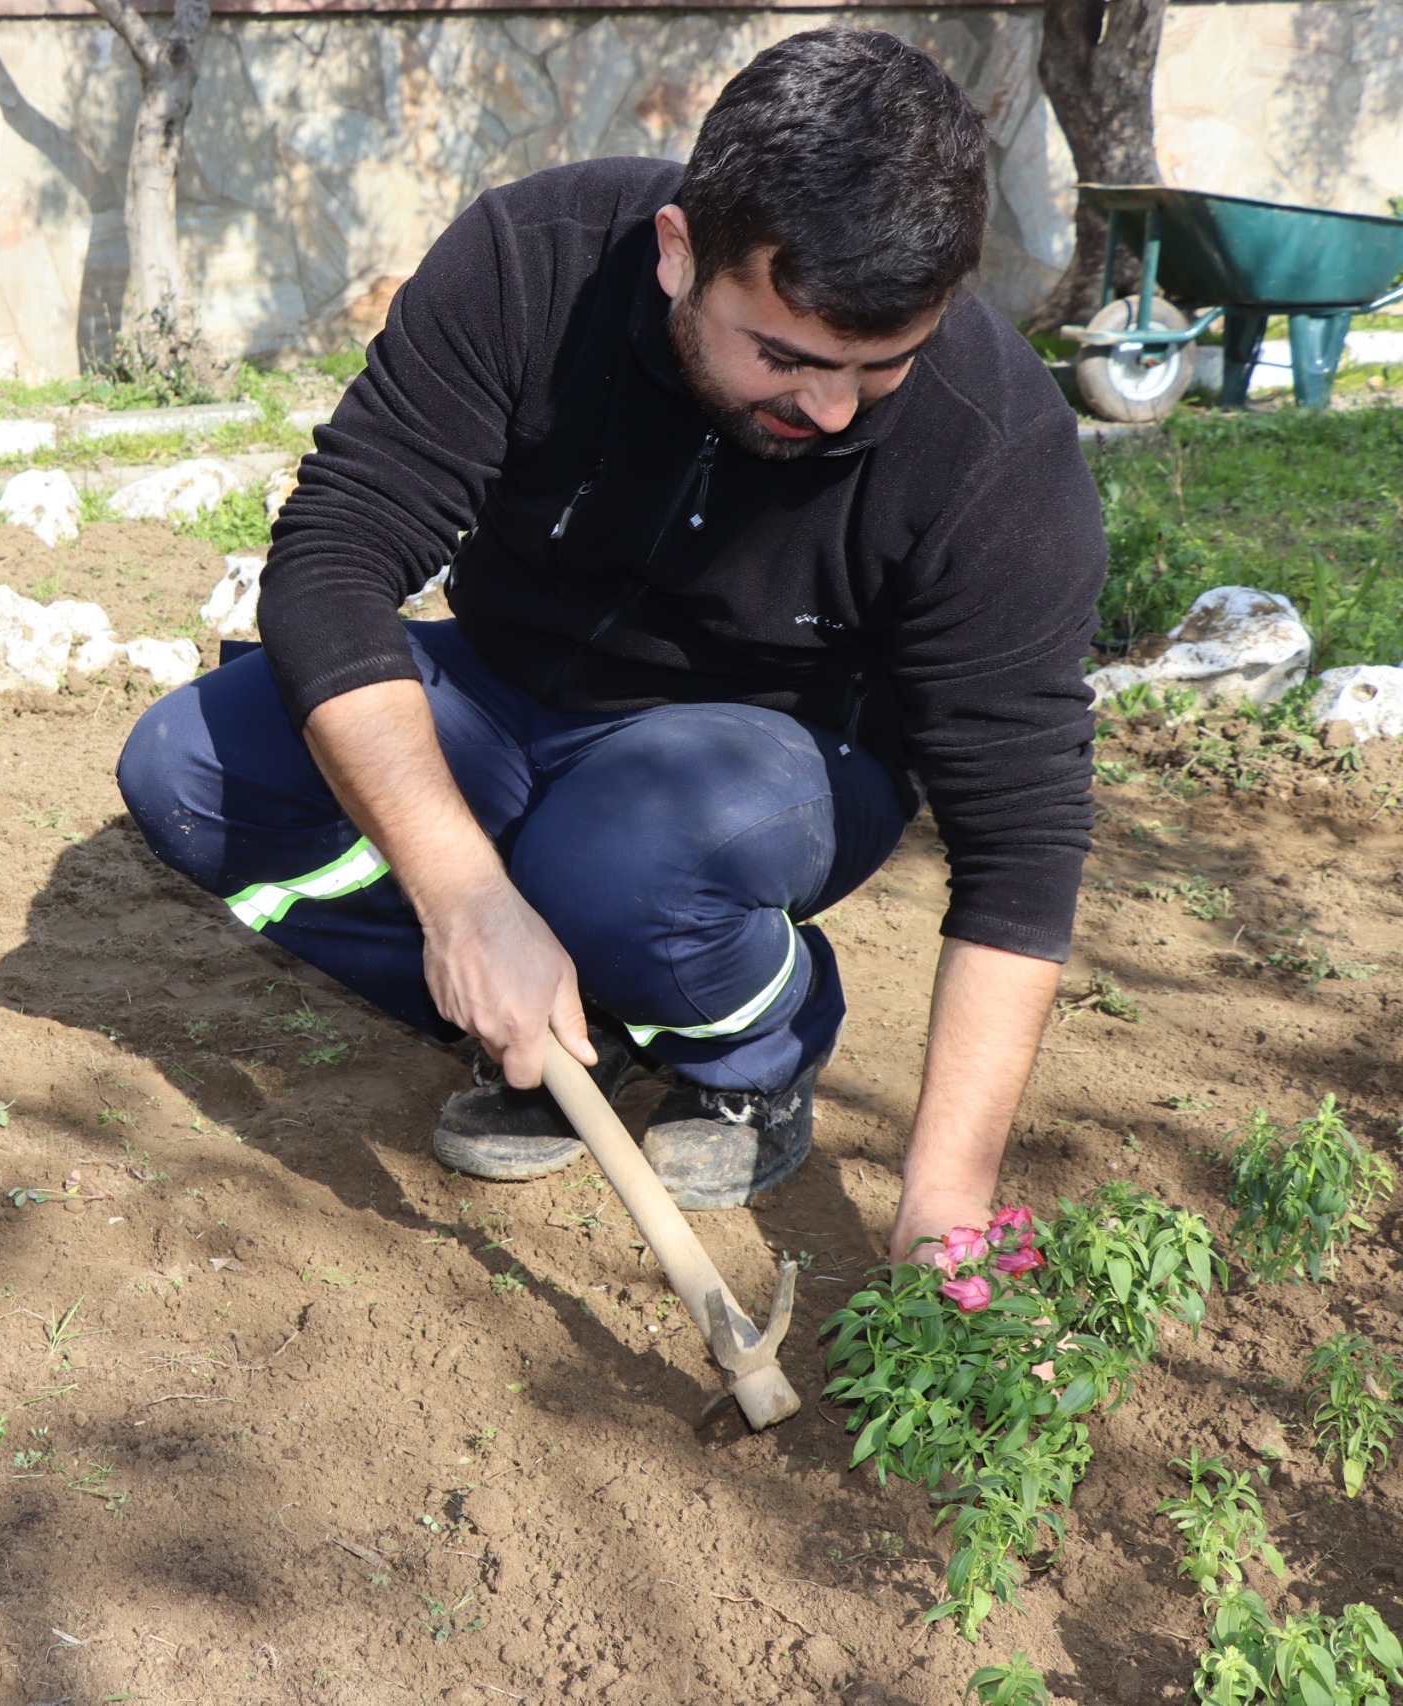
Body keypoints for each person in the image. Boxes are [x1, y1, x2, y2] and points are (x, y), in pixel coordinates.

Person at [117, 29, 1102, 1258]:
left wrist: (946, 1201)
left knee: (620, 863)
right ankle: (554, 1027)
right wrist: (465, 896)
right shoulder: (534, 258)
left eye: (879, 365)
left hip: (767, 766)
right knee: (193, 768)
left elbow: (1020, 844)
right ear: (679, 252)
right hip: (507, 685)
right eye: (785, 356)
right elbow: (334, 557)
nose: (831, 408)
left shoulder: (991, 445)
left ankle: (758, 1042)